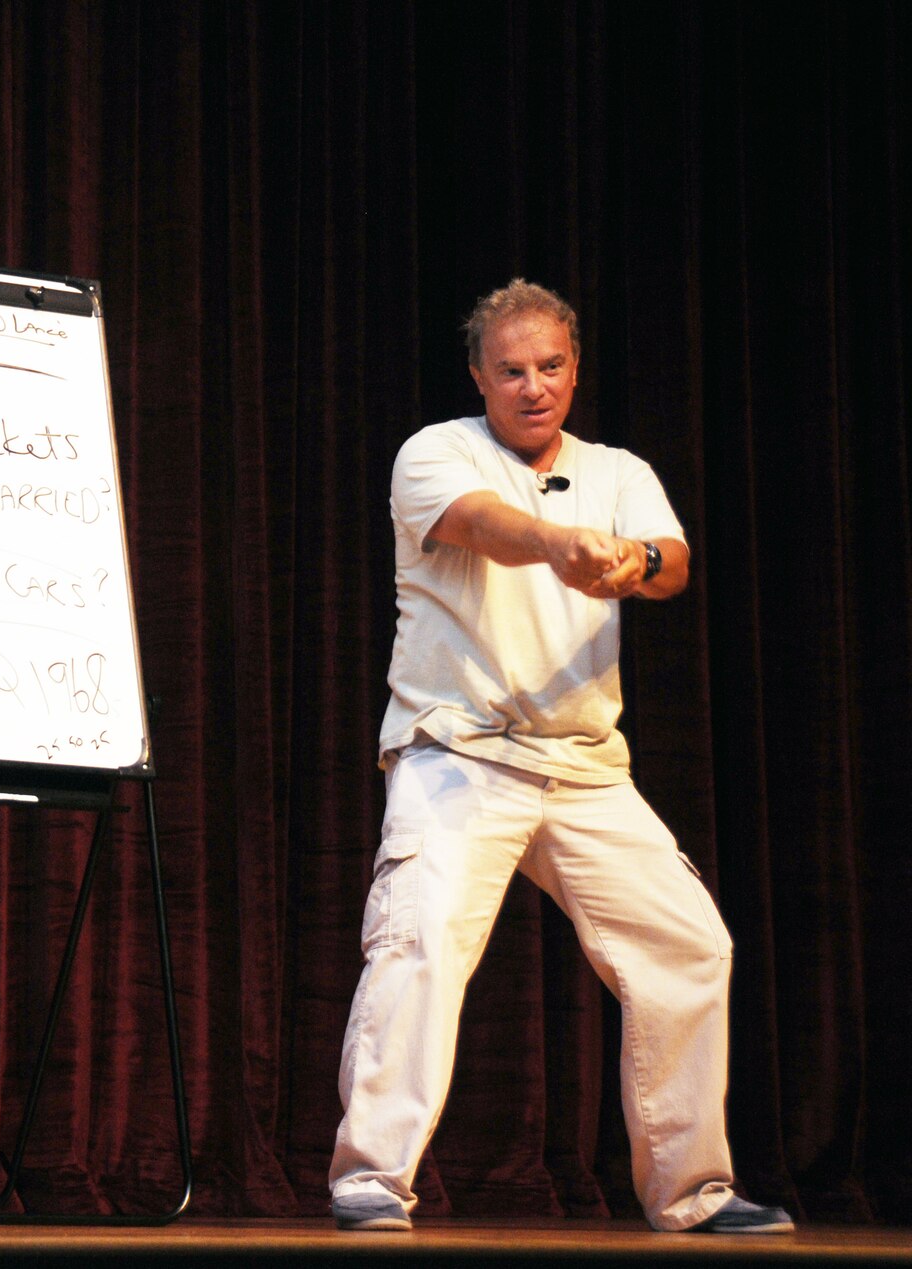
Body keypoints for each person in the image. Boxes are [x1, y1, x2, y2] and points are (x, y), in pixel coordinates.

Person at [326, 280, 793, 1235]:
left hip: (585, 766)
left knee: (690, 946)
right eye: (511, 370)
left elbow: (673, 559)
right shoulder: (437, 451)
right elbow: (481, 526)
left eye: (550, 367)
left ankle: (692, 1189)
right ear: (480, 376)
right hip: (460, 750)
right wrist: (560, 547)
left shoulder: (619, 468)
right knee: (418, 941)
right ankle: (372, 1175)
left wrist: (638, 565)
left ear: (573, 370)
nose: (532, 387)